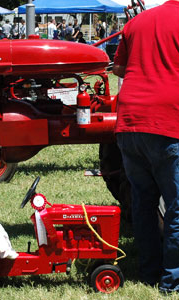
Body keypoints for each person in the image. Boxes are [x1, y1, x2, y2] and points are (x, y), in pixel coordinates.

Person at [113, 0, 179, 293]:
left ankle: (149, 272)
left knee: (143, 203)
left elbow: (118, 69)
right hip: (167, 120)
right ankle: (172, 280)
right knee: (177, 207)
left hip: (129, 121)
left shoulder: (137, 22)